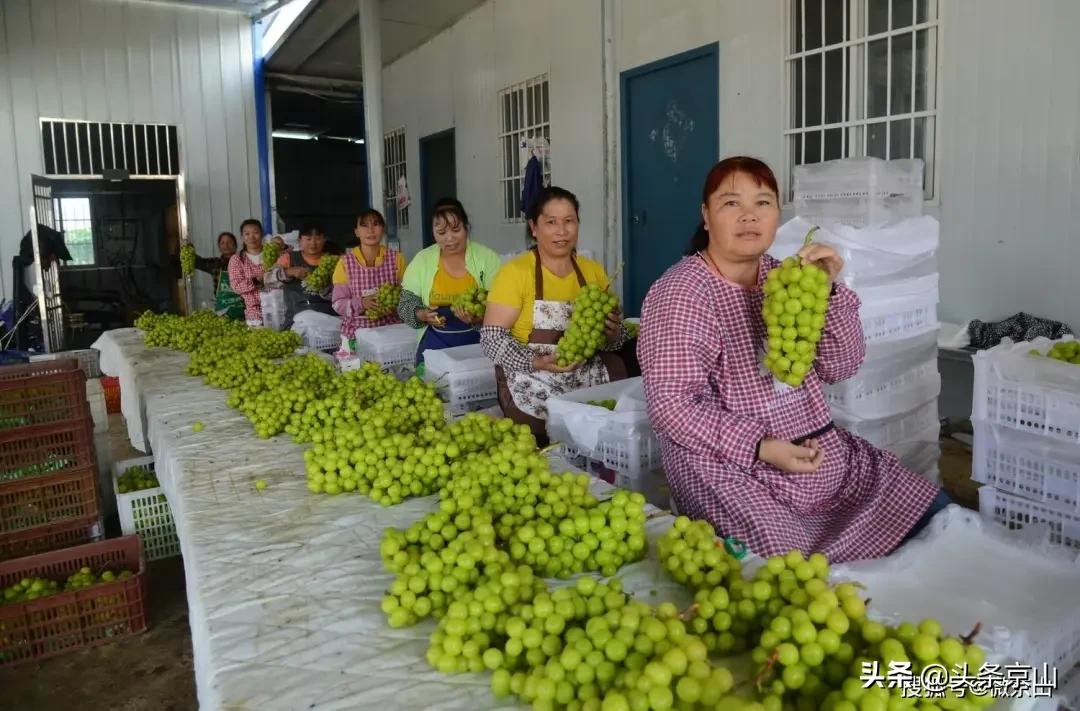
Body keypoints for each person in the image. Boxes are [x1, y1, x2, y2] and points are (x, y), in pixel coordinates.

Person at [636, 156, 950, 564]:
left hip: (817, 454)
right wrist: (761, 447)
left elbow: (841, 366)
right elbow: (672, 408)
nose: (749, 216)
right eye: (732, 203)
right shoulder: (681, 294)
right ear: (706, 215)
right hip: (733, 470)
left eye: (763, 203)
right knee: (797, 573)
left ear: (777, 214)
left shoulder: (787, 277)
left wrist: (831, 292)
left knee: (936, 513)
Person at [481, 186, 629, 445]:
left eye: (569, 221)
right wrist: (539, 362)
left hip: (585, 380)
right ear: (534, 227)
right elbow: (491, 339)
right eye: (551, 222)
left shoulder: (593, 272)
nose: (562, 231)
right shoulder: (516, 273)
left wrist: (614, 333)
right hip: (532, 380)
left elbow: (615, 340)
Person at [398, 198, 501, 367]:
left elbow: (501, 305)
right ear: (433, 232)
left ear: (466, 227)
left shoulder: (486, 258)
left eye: (456, 229)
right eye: (441, 232)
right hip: (435, 345)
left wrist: (478, 318)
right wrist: (421, 314)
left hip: (479, 347)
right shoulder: (422, 261)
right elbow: (405, 304)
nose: (450, 238)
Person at [331, 209, 406, 341]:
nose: (370, 230)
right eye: (364, 225)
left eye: (376, 224)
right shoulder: (344, 263)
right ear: (356, 232)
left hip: (390, 332)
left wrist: (393, 304)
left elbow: (407, 295)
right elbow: (338, 304)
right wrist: (361, 303)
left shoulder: (397, 259)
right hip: (357, 333)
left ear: (383, 229)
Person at [266, 223, 339, 335]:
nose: (313, 243)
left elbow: (340, 294)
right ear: (300, 240)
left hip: (326, 324)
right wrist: (288, 272)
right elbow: (267, 280)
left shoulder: (333, 261)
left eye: (318, 238)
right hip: (295, 322)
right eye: (308, 239)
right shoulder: (289, 258)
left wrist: (324, 287)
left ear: (324, 239)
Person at [227, 219, 269, 325]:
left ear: (262, 234)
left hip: (276, 305)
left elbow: (289, 253)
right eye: (247, 234)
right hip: (253, 310)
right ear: (242, 236)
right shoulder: (237, 259)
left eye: (255, 233)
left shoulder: (272, 253)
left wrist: (281, 244)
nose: (251, 237)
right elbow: (236, 286)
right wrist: (257, 280)